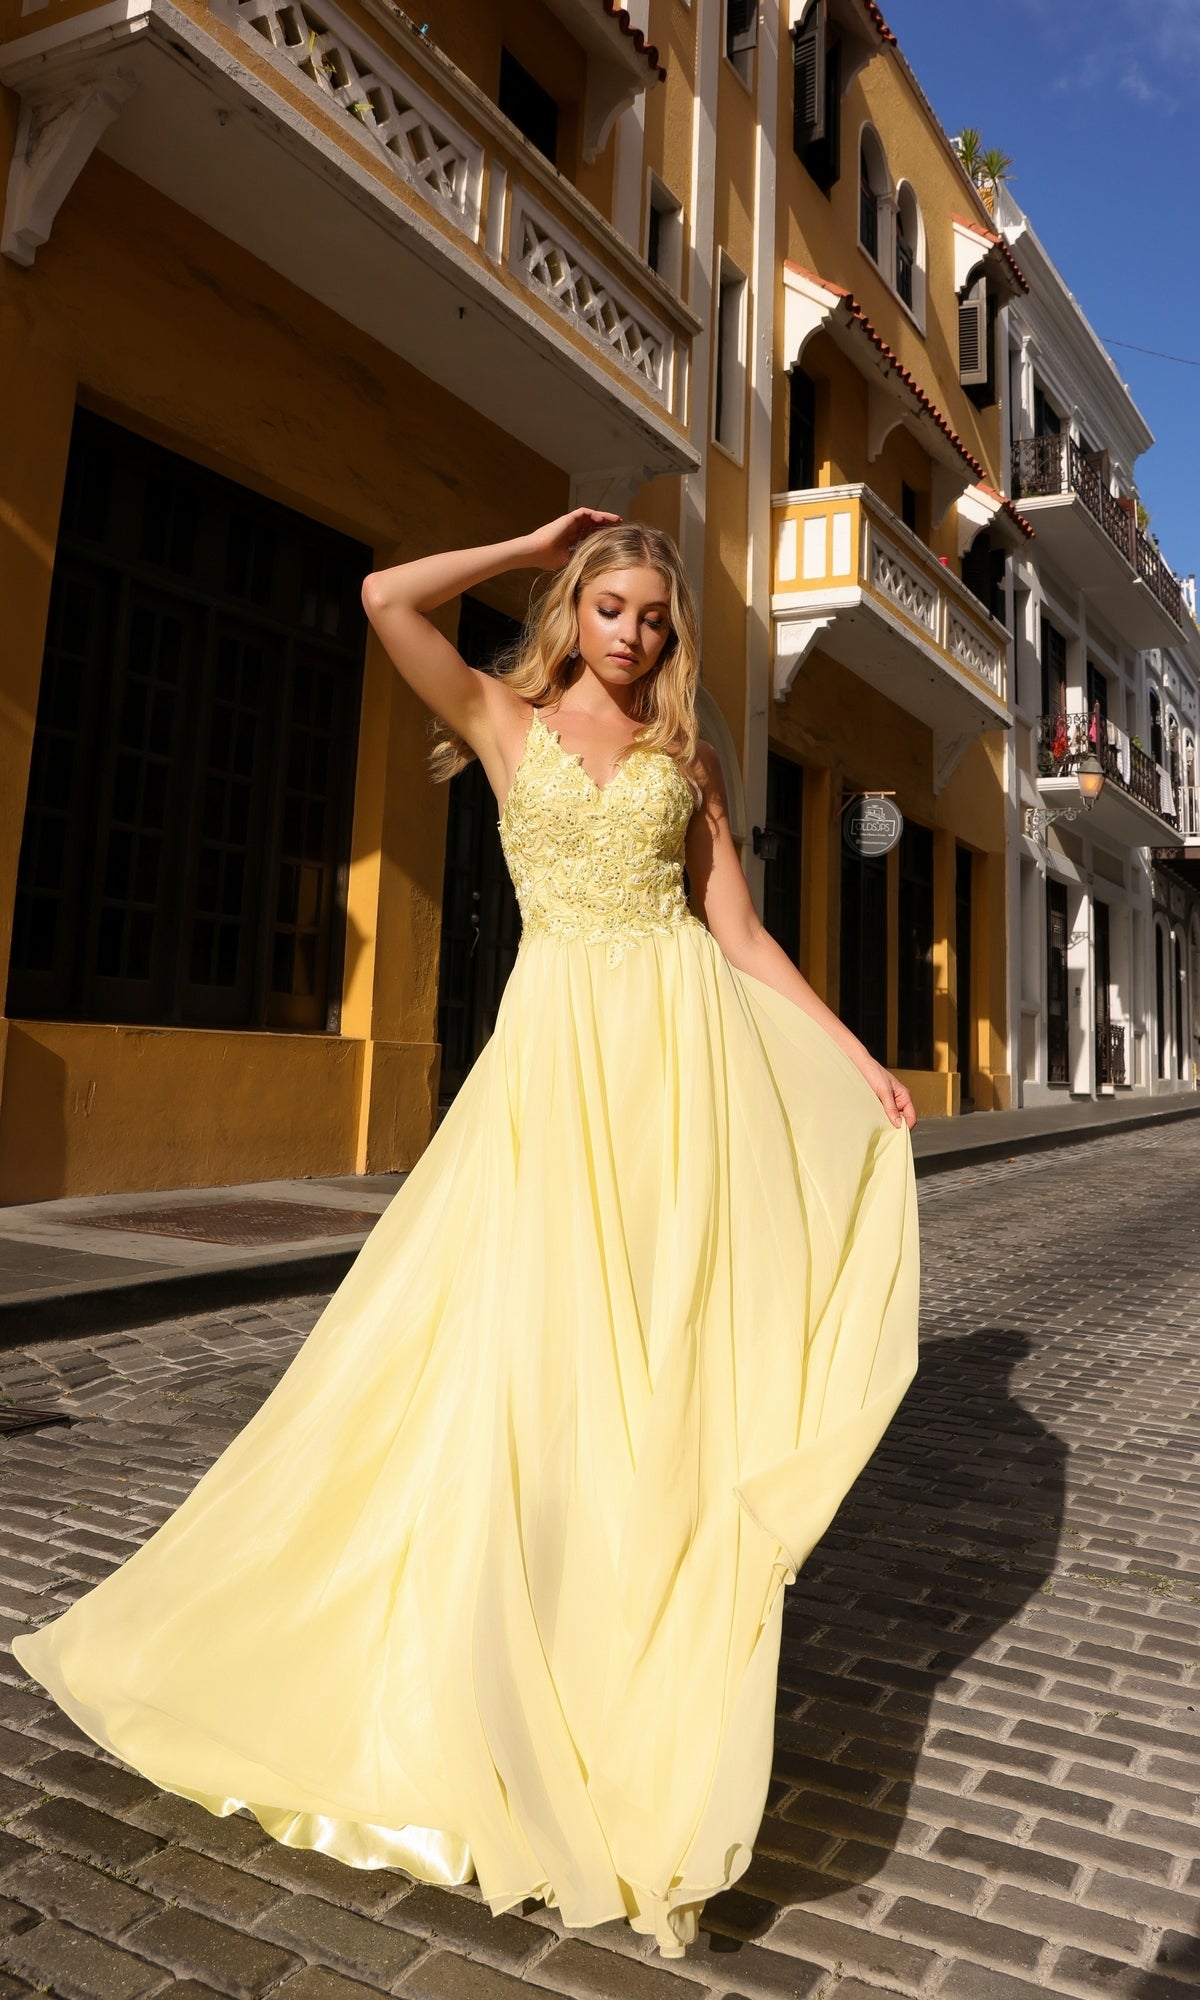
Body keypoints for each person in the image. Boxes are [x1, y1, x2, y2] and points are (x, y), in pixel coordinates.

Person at [12, 512, 920, 1960]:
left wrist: (854, 1052)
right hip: (557, 1064)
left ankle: (620, 1646)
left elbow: (737, 936)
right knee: (519, 1355)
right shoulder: (502, 714)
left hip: (680, 1068)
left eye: (656, 621)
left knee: (658, 1366)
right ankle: (500, 1640)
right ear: (573, 609)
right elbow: (382, 597)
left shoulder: (689, 757)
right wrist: (531, 536)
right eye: (614, 608)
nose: (638, 637)